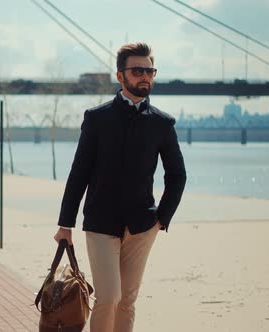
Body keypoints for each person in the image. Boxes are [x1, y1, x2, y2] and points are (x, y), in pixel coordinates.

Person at [53, 42, 187, 332]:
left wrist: (162, 219)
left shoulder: (163, 124)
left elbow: (177, 175)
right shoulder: (97, 118)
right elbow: (79, 173)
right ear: (120, 76)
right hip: (101, 222)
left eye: (150, 70)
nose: (145, 77)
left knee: (127, 299)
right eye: (138, 70)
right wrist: (66, 223)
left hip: (143, 226)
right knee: (108, 297)